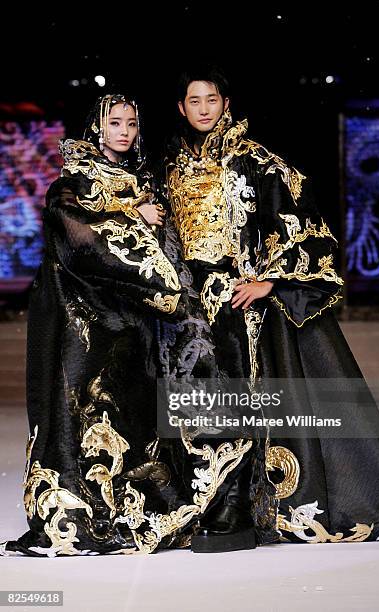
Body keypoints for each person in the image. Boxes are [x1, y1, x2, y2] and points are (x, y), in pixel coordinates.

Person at [165, 64, 379, 553]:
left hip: (240, 307)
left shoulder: (258, 163)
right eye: (195, 101)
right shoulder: (168, 168)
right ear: (181, 108)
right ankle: (201, 502)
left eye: (212, 99)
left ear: (225, 103)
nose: (204, 109)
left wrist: (270, 280)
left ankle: (242, 505)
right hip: (184, 308)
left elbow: (304, 222)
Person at [0, 94, 253, 557]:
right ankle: (77, 515)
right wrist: (133, 217)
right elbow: (75, 236)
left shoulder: (141, 179)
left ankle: (132, 508)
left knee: (130, 415)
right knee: (82, 411)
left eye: (132, 124)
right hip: (84, 320)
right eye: (114, 123)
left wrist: (179, 299)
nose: (124, 131)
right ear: (97, 127)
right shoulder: (75, 179)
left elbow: (168, 248)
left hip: (134, 319)